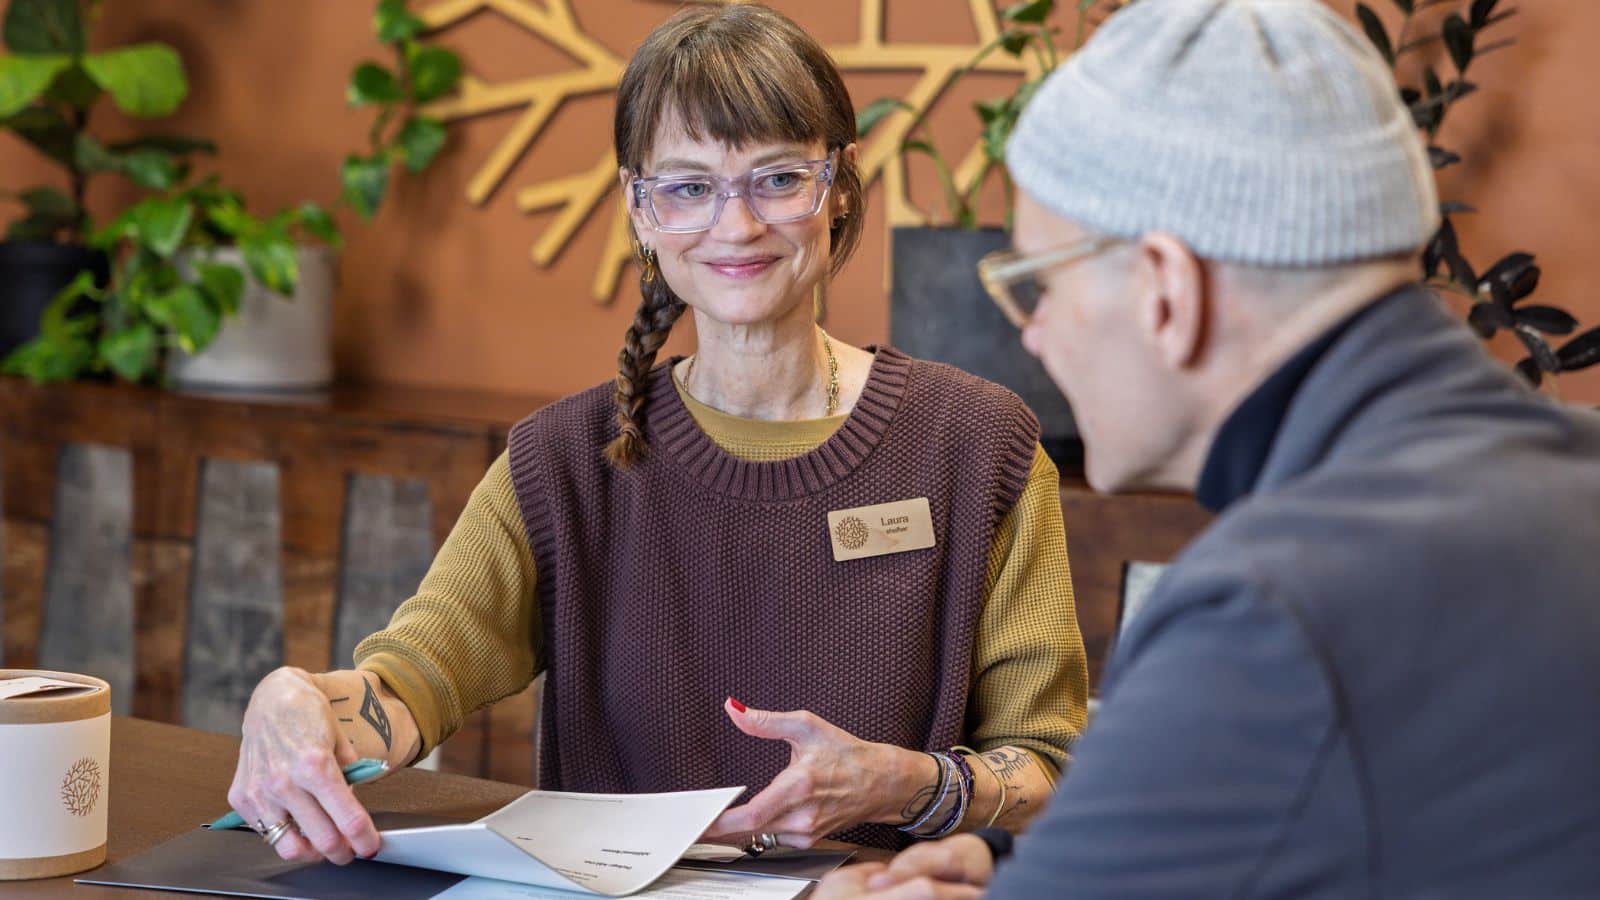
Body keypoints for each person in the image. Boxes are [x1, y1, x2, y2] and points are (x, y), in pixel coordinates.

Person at [225, 3, 1088, 867]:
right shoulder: (562, 462)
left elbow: (1049, 767)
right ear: (640, 212)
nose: (737, 224)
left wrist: (904, 782)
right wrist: (292, 700)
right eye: (688, 187)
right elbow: (409, 682)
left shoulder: (978, 446)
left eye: (778, 178)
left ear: (841, 185)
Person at [819, 0, 1600, 896]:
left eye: (1039, 284)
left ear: (1166, 289)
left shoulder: (1272, 611)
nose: (1034, 336)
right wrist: (1017, 861)